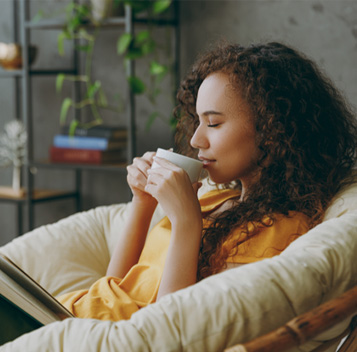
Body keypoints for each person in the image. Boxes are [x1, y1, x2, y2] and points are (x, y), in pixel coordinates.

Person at [57, 42, 357, 321]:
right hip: (70, 316)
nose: (195, 139)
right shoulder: (213, 199)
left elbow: (173, 331)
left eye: (213, 123)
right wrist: (142, 202)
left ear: (272, 129)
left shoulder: (276, 231)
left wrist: (187, 224)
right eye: (197, 120)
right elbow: (115, 288)